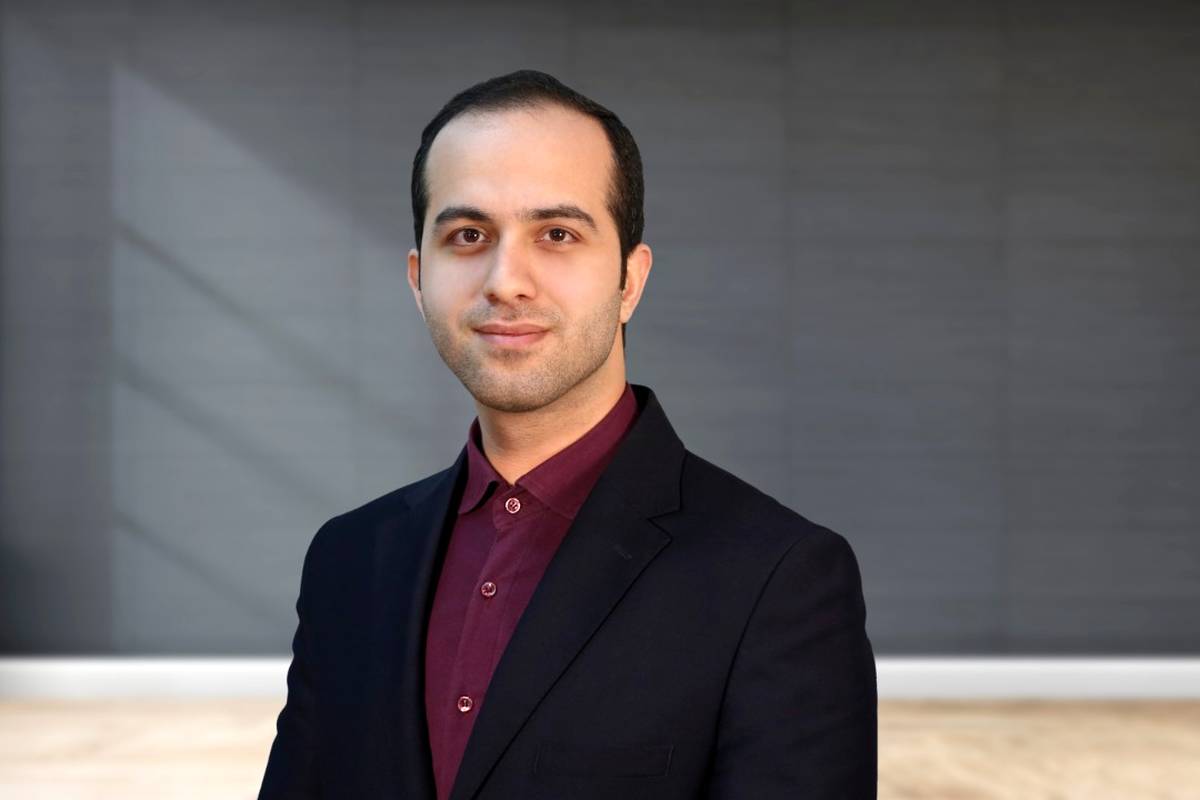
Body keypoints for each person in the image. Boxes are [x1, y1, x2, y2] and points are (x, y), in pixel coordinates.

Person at [259, 69, 876, 800]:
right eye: (468, 235)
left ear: (629, 281)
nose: (505, 280)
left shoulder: (779, 578)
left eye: (556, 234)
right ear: (419, 279)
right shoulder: (348, 559)